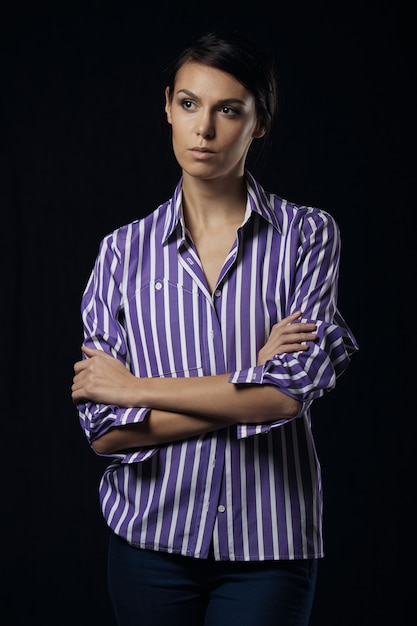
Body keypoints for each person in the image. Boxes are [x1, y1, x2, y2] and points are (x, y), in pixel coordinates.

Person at [71, 29, 359, 626]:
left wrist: (137, 389)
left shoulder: (308, 236)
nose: (204, 130)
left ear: (258, 123)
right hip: (148, 539)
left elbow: (285, 394)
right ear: (168, 108)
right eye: (189, 104)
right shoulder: (122, 253)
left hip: (270, 546)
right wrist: (250, 383)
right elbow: (103, 432)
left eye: (229, 110)